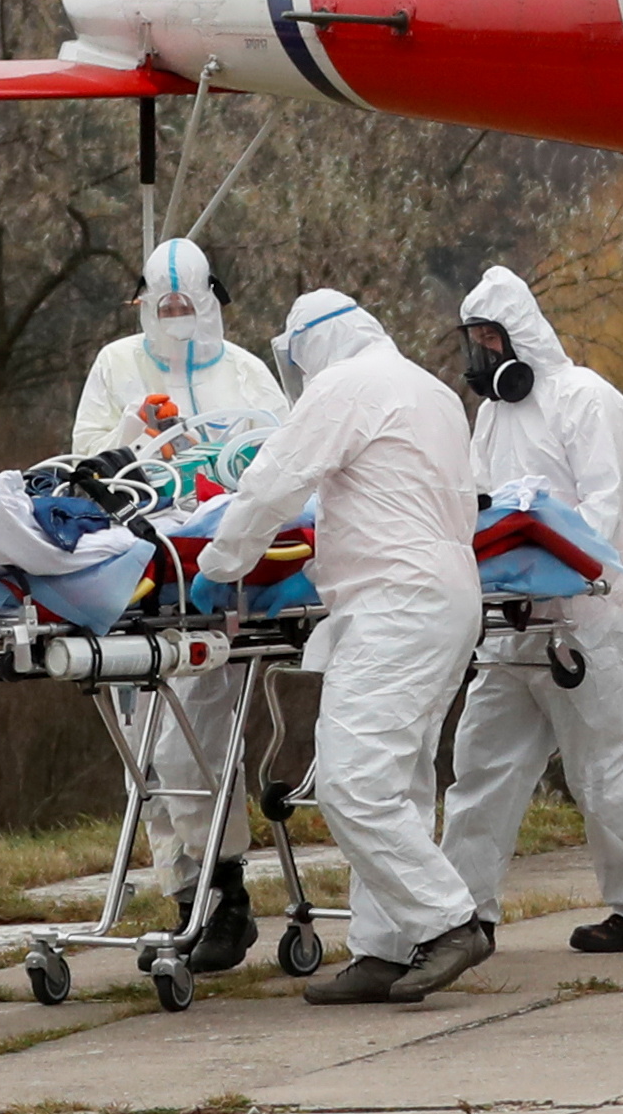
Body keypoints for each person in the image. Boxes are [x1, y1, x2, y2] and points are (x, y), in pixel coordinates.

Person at [202, 289, 488, 1004]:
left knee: (351, 781)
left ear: (313, 345)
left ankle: (449, 920)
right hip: (446, 595)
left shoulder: (342, 385)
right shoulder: (429, 389)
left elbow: (272, 483)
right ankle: (382, 949)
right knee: (399, 779)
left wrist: (218, 566)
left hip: (396, 601)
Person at [437, 264, 623, 951]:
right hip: (511, 620)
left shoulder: (588, 399)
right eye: (475, 338)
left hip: (583, 619)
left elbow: (604, 511)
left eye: (491, 336)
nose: (482, 351)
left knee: (600, 765)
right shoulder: (490, 413)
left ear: (520, 335)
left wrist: (547, 561)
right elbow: (479, 501)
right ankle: (463, 911)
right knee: (480, 764)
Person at [67, 235, 285, 969]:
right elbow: (83, 464)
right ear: (140, 304)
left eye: (187, 304)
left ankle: (223, 891)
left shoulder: (248, 372)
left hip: (220, 574)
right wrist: (135, 435)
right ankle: (186, 892)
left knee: (194, 732)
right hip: (137, 571)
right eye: (162, 307)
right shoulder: (115, 365)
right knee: (146, 745)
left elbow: (285, 460)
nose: (175, 319)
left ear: (212, 298)